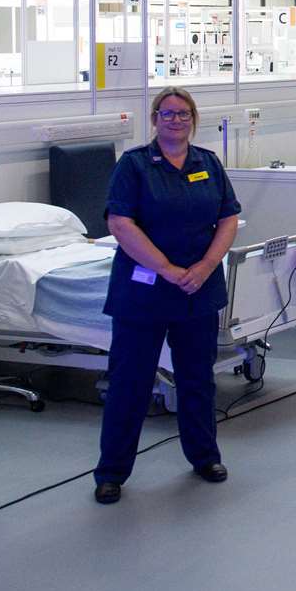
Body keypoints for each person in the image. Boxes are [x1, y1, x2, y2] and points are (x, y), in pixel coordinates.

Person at [94, 87, 240, 504]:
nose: (175, 120)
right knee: (130, 383)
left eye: (183, 114)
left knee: (197, 379)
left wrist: (206, 267)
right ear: (155, 119)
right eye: (167, 113)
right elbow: (121, 224)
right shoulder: (135, 165)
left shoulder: (207, 163)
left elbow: (228, 218)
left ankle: (204, 456)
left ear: (193, 119)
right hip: (145, 293)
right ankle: (111, 472)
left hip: (198, 289)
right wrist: (168, 269)